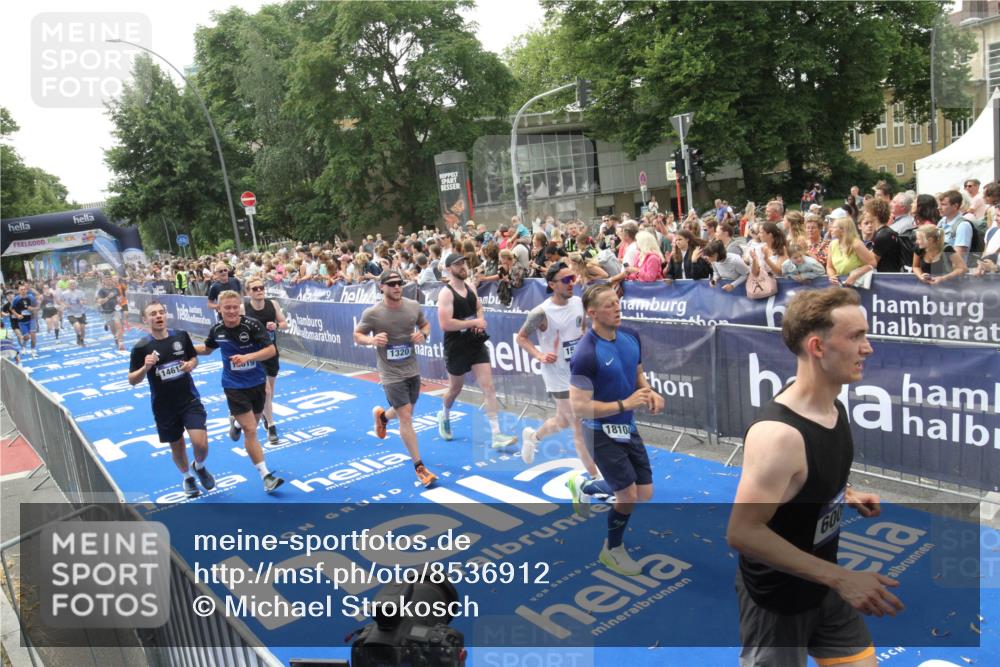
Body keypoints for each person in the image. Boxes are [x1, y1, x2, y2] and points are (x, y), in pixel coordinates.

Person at [727, 288, 901, 667]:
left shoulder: (833, 407)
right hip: (777, 603)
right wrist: (841, 579)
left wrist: (842, 493)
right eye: (856, 337)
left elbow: (803, 477)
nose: (868, 348)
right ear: (818, 346)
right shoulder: (778, 435)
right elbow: (742, 532)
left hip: (823, 587)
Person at [569, 283, 664, 576]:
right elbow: (580, 407)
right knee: (628, 496)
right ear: (592, 313)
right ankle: (612, 550)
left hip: (627, 426)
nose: (617, 307)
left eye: (617, 301)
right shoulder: (586, 353)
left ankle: (586, 486)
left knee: (644, 492)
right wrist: (625, 404)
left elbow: (636, 374)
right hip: (599, 430)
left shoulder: (630, 335)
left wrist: (650, 392)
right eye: (609, 304)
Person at [516, 263, 608, 501]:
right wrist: (538, 355)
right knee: (577, 425)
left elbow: (582, 328)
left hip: (580, 371)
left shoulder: (578, 303)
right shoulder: (540, 312)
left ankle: (533, 437)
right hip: (556, 374)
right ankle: (596, 479)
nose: (571, 283)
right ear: (551, 284)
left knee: (564, 421)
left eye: (572, 278)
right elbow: (521, 337)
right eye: (565, 279)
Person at [194, 290, 284, 493]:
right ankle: (266, 475)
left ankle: (235, 422)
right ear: (219, 308)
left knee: (252, 421)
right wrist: (183, 349)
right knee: (251, 430)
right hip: (234, 386)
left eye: (235, 307)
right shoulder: (217, 330)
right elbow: (207, 349)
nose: (232, 311)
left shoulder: (251, 325)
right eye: (227, 307)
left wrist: (248, 357)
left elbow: (271, 351)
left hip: (257, 383)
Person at [354, 270, 437, 488]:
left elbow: (425, 325)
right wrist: (372, 340)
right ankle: (420, 467)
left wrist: (424, 334)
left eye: (399, 283)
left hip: (411, 369)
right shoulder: (373, 313)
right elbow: (358, 335)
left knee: (407, 409)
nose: (397, 287)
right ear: (382, 287)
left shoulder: (412, 306)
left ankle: (383, 418)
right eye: (391, 284)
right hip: (390, 373)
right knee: (406, 416)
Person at [128, 301, 214, 499]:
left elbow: (194, 358)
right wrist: (145, 368)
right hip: (164, 406)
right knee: (177, 446)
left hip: (189, 400)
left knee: (200, 444)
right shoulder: (141, 347)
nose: (158, 316)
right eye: (153, 314)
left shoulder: (181, 336)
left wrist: (190, 364)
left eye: (161, 312)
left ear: (166, 316)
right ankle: (187, 478)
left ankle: (199, 466)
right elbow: (132, 380)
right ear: (145, 319)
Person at [436, 253, 518, 449]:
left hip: (475, 342)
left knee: (488, 387)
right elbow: (445, 324)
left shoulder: (471, 287)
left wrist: (479, 323)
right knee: (455, 389)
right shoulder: (446, 293)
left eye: (463, 262)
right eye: (457, 264)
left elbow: (479, 308)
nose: (463, 266)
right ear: (449, 269)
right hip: (456, 345)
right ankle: (444, 415)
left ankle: (496, 435)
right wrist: (473, 322)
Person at [244, 277, 289, 445]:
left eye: (261, 287)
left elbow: (285, 323)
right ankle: (271, 426)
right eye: (254, 288)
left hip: (271, 351)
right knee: (267, 391)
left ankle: (264, 413)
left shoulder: (273, 305)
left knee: (270, 391)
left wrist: (276, 326)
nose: (259, 291)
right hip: (254, 355)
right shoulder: (244, 308)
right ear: (248, 292)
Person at [826, 217, 876, 287]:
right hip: (841, 286)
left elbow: (872, 263)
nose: (831, 229)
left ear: (843, 230)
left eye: (834, 227)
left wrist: (855, 275)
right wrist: (832, 276)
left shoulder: (856, 244)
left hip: (859, 286)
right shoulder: (832, 244)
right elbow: (829, 267)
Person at [95, 275, 124, 350]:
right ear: (104, 281)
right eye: (107, 279)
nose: (109, 281)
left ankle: (120, 341)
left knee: (118, 323)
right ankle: (115, 337)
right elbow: (100, 302)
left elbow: (119, 298)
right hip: (107, 311)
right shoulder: (102, 290)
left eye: (110, 279)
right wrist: (108, 297)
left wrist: (119, 299)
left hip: (116, 310)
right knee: (113, 327)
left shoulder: (116, 289)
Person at [10, 283, 39, 357]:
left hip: (31, 319)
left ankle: (33, 350)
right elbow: (11, 309)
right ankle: (23, 346)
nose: (23, 291)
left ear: (26, 290)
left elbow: (38, 306)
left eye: (24, 289)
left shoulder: (31, 297)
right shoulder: (16, 299)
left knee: (33, 336)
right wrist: (17, 315)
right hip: (22, 321)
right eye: (21, 290)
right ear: (18, 291)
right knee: (26, 337)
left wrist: (33, 309)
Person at [60, 279, 88, 347]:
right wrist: (64, 305)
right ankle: (78, 336)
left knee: (83, 328)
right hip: (71, 313)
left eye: (73, 283)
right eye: (70, 284)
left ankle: (82, 340)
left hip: (81, 312)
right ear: (68, 285)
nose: (72, 285)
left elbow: (85, 301)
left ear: (76, 285)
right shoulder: (64, 293)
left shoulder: (80, 292)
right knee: (77, 326)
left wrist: (83, 302)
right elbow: (60, 301)